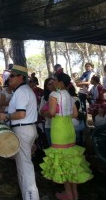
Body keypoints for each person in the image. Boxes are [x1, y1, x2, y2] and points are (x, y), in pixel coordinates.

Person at [40, 71, 93, 200]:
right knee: (71, 160)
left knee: (62, 161)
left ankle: (68, 193)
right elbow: (75, 114)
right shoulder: (69, 96)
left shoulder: (54, 94)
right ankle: (74, 193)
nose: (54, 83)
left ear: (60, 82)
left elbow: (51, 112)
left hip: (58, 129)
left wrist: (44, 113)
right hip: (69, 129)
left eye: (55, 80)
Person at [0, 65, 39, 200]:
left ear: (21, 77)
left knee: (25, 166)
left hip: (23, 129)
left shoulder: (21, 92)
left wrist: (6, 117)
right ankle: (27, 195)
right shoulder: (24, 90)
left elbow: (21, 114)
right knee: (23, 164)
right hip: (26, 128)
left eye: (12, 75)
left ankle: (31, 197)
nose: (9, 78)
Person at [39, 77, 55, 146]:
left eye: (53, 83)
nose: (52, 85)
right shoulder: (44, 98)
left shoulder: (60, 95)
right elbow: (40, 112)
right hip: (49, 125)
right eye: (49, 84)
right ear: (46, 87)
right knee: (52, 147)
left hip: (60, 125)